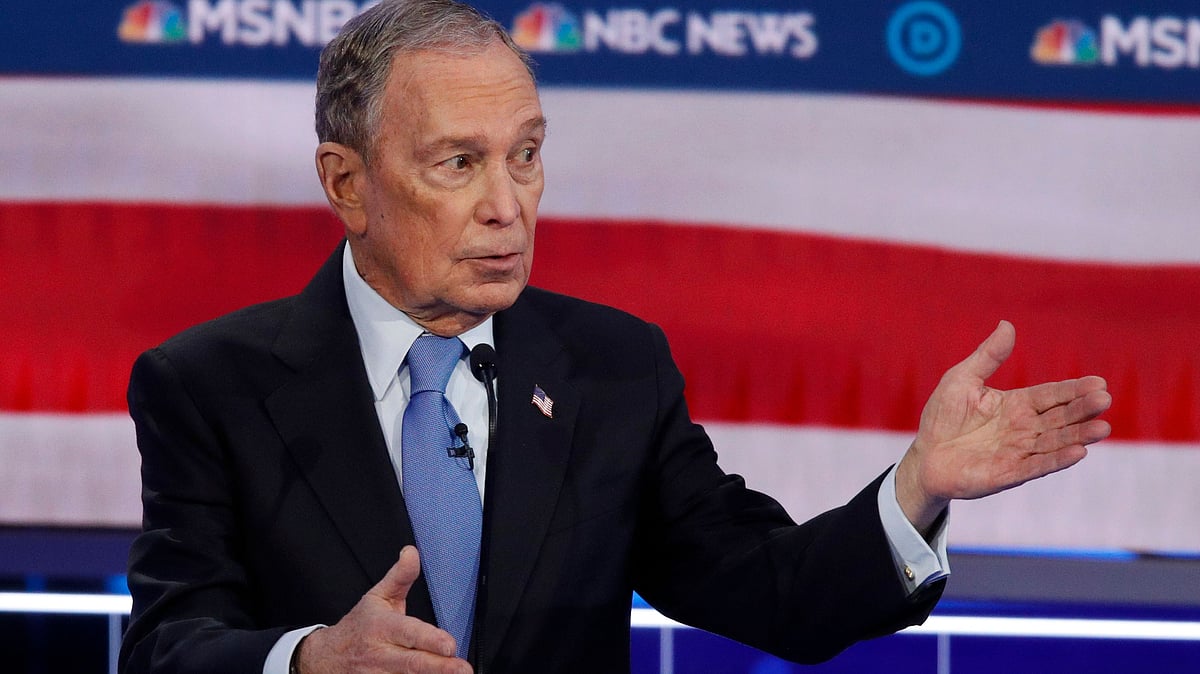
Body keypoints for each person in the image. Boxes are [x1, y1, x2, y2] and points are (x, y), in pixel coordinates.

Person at [119, 1, 1113, 673]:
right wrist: (305, 660)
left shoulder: (612, 369)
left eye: (526, 155)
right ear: (347, 183)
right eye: (459, 163)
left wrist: (917, 488)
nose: (507, 204)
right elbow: (166, 645)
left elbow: (773, 591)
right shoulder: (208, 384)